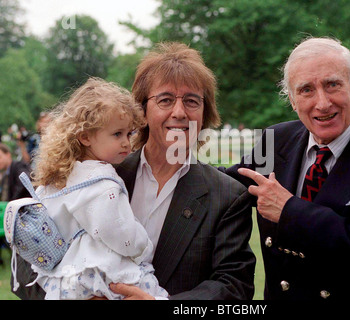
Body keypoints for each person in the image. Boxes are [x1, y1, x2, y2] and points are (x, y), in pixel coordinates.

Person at [14, 43, 256, 300]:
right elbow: (25, 266)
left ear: (205, 112)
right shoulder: (90, 174)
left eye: (192, 101)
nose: (179, 112)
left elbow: (234, 287)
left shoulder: (227, 195)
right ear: (141, 111)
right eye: (165, 100)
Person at [221, 37, 350, 300]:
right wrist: (164, 161)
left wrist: (290, 212)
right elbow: (224, 187)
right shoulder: (275, 140)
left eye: (332, 85)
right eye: (306, 90)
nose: (322, 103)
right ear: (293, 100)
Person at [13, 78, 169, 300]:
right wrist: (143, 248)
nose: (126, 142)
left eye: (129, 134)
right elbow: (120, 233)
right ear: (85, 136)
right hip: (101, 275)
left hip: (64, 281)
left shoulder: (57, 179)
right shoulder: (101, 183)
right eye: (117, 134)